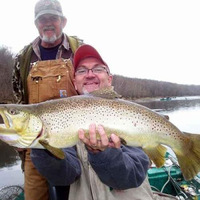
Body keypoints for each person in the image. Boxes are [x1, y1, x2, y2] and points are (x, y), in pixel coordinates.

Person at [31, 44, 177, 200]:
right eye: (81, 70)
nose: (89, 74)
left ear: (110, 79)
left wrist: (106, 154)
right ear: (74, 82)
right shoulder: (63, 123)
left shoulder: (132, 116)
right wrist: (41, 145)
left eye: (98, 69)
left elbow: (132, 177)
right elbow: (65, 177)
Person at [12, 0, 83, 199]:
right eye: (43, 19)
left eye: (53, 18)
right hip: (35, 140)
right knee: (34, 194)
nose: (48, 23)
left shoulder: (80, 50)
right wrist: (19, 133)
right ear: (36, 24)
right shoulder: (23, 58)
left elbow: (93, 87)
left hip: (75, 140)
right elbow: (20, 99)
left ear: (64, 21)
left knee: (72, 192)